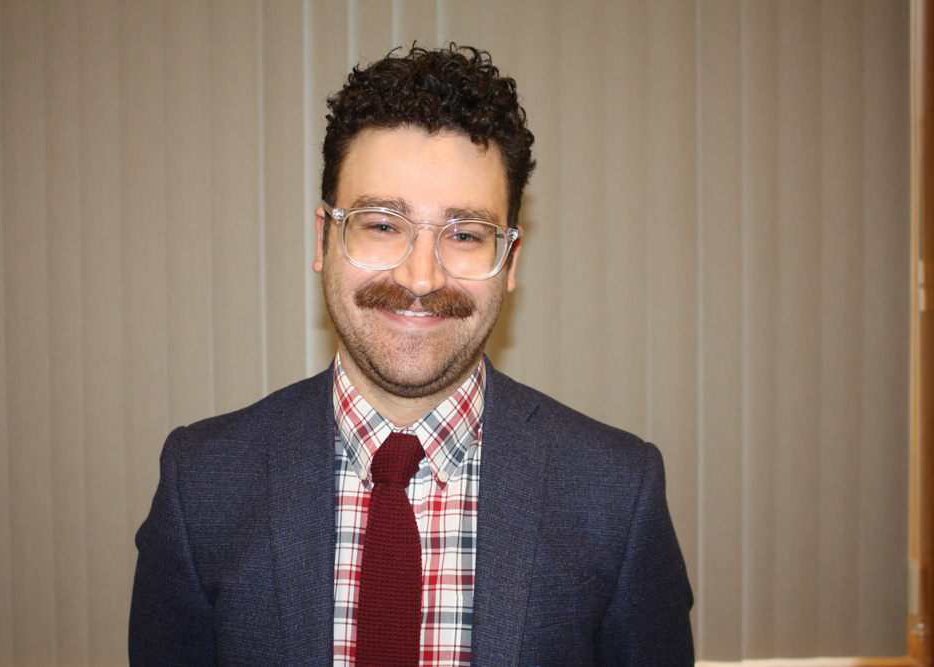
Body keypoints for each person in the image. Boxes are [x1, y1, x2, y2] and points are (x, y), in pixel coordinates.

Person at [129, 44, 693, 666]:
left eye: (464, 234)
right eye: (382, 224)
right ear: (324, 238)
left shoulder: (617, 495)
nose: (421, 277)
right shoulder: (200, 484)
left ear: (509, 261)